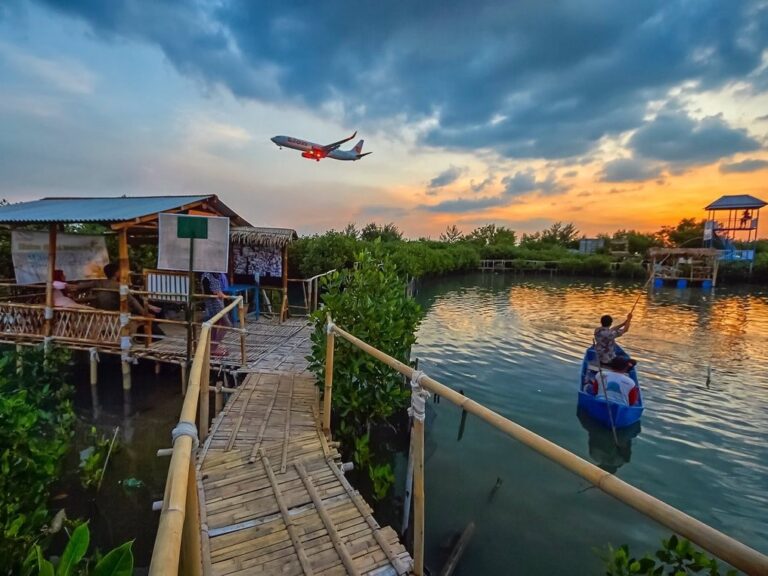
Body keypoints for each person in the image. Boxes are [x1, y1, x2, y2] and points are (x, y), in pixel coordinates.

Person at [201, 271, 232, 356]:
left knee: (215, 324)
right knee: (226, 324)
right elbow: (206, 290)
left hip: (219, 302)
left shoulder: (217, 274)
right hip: (213, 304)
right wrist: (217, 293)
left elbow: (218, 289)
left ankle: (212, 347)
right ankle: (214, 347)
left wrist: (221, 294)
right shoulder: (206, 275)